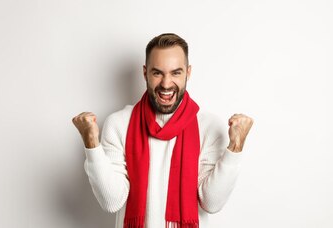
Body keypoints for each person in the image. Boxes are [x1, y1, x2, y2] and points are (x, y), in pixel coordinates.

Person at [72, 33, 253, 228]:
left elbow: (212, 203)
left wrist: (235, 147)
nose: (166, 84)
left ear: (188, 73)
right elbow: (112, 201)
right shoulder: (119, 124)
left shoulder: (209, 126)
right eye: (157, 73)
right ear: (145, 73)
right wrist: (91, 144)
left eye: (176, 73)